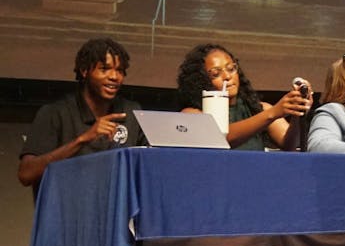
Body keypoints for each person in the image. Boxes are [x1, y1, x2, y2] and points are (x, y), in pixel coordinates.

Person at [19, 38, 146, 194]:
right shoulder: (55, 113)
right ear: (85, 71)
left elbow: (149, 166)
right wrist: (83, 139)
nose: (114, 76)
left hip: (117, 212)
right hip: (67, 211)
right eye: (104, 69)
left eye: (119, 70)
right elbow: (26, 174)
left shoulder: (131, 112)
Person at [177, 44, 311, 151]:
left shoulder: (259, 108)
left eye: (231, 69)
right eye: (216, 74)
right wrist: (273, 113)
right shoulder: (193, 114)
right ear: (200, 80)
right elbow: (221, 138)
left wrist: (296, 112)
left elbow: (289, 145)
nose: (227, 77)